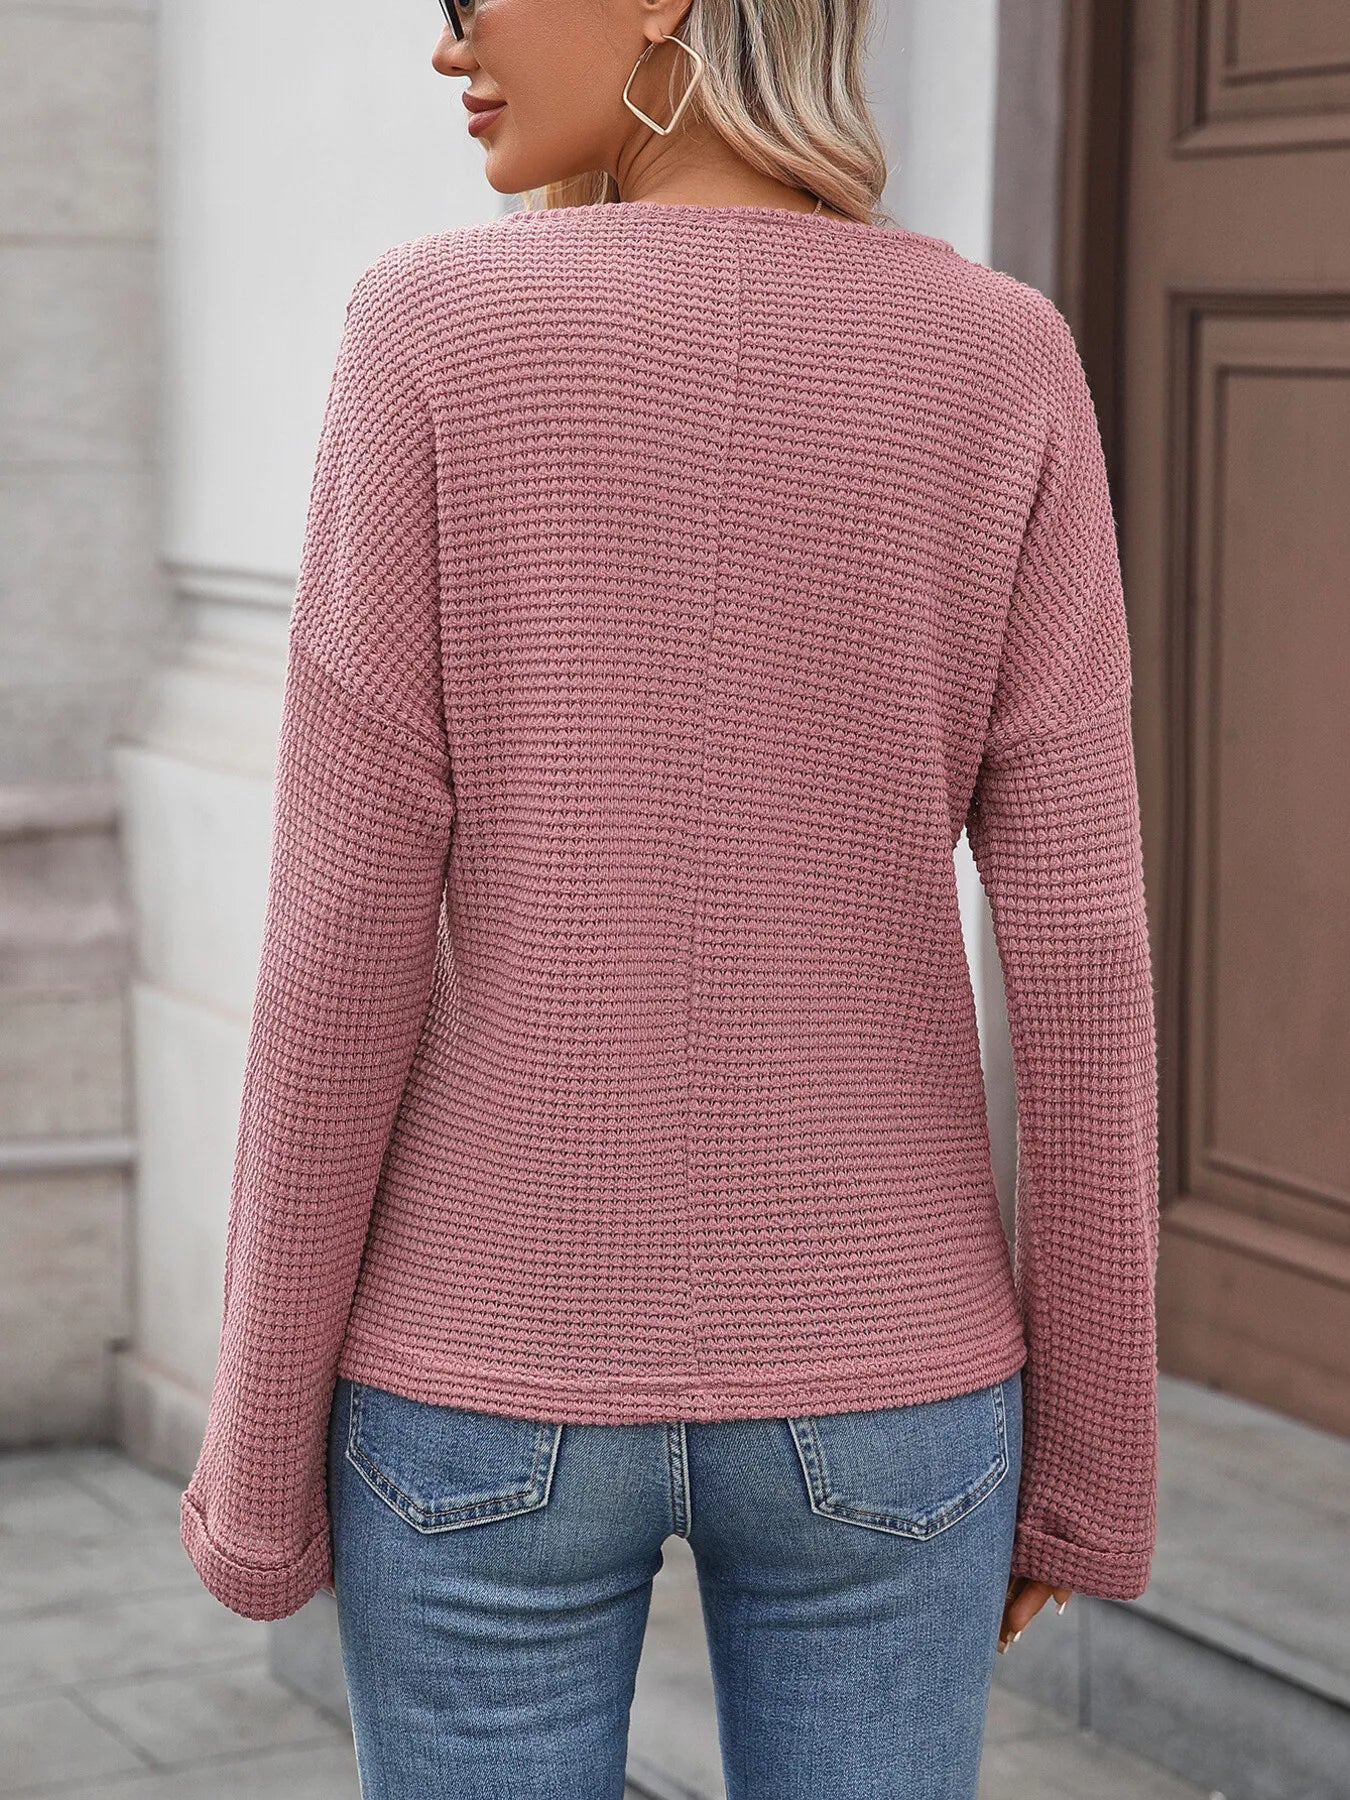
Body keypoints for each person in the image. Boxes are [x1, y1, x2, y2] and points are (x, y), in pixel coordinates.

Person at [179, 0, 1160, 1795]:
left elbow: (342, 935)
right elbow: (1083, 946)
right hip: (892, 1372)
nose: (447, 46)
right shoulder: (1000, 354)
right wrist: (1090, 1463)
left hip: (484, 1369)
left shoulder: (435, 329)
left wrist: (255, 1455)